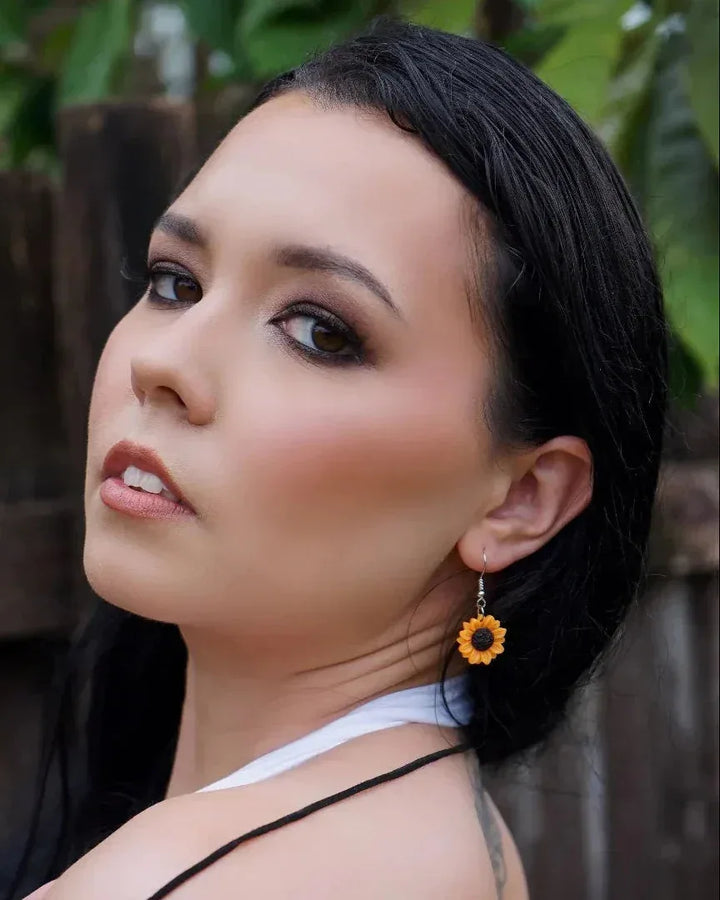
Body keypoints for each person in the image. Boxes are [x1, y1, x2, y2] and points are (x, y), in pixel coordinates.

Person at [13, 15, 668, 900]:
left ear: (520, 499)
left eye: (320, 332)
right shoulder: (447, 840)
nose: (161, 364)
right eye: (175, 283)